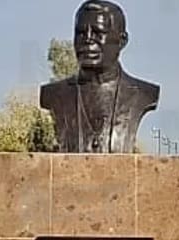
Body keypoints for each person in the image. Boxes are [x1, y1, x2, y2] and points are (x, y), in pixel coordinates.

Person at [39, 0, 160, 153]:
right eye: (81, 33)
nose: (88, 39)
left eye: (98, 33)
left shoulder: (143, 94)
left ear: (122, 41)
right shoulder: (54, 94)